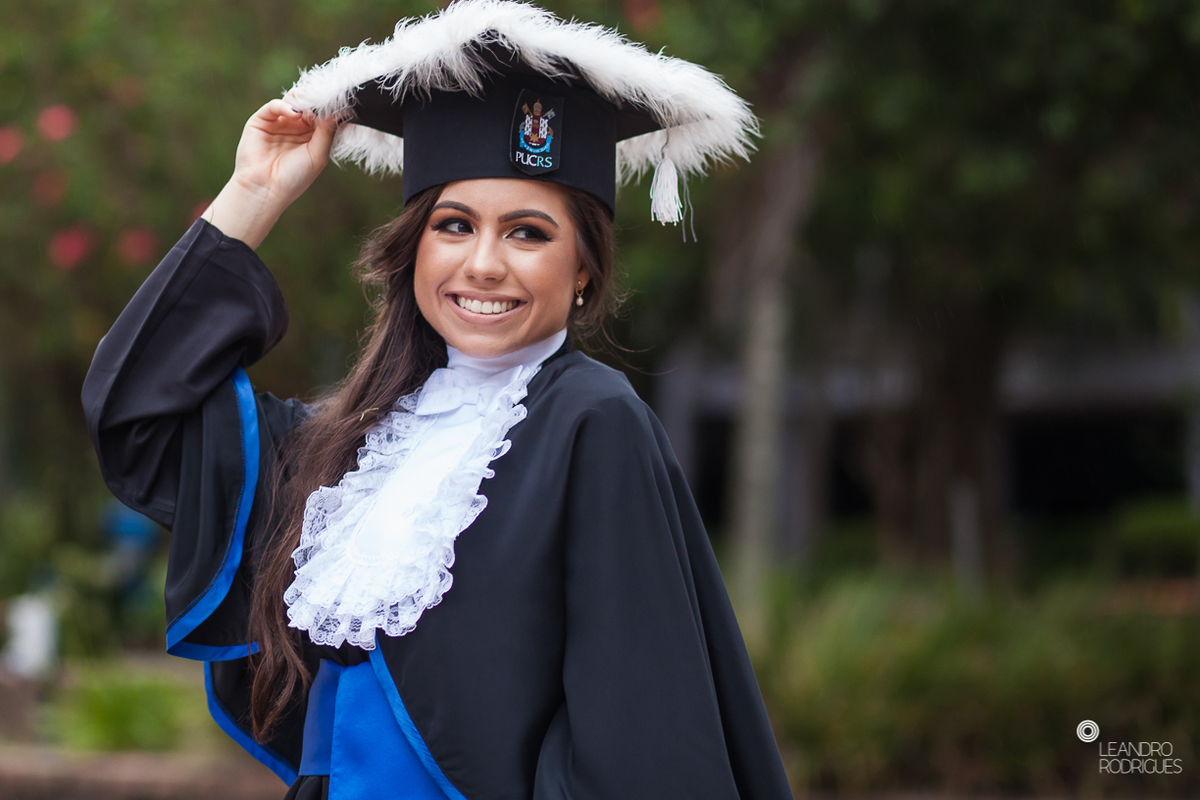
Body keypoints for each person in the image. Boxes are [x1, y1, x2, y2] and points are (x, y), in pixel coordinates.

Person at [82, 1, 791, 798]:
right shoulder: (350, 451)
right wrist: (253, 194)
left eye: (528, 233)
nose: (483, 264)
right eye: (453, 225)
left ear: (585, 269)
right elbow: (138, 415)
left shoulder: (593, 423)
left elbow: (633, 734)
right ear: (412, 247)